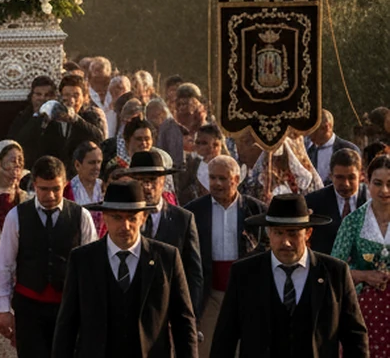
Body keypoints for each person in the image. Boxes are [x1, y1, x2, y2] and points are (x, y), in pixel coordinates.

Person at [50, 179, 198, 358]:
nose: (125, 226)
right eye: (117, 217)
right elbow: (67, 323)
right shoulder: (82, 260)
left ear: (143, 217)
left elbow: (183, 322)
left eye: (132, 218)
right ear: (105, 216)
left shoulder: (166, 258)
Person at [211, 192, 368, 358]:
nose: (285, 242)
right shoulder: (244, 274)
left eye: (293, 233)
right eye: (278, 233)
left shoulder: (335, 272)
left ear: (308, 233)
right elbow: (225, 338)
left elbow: (354, 337)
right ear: (269, 233)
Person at [0, 155, 96, 358]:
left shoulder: (81, 216)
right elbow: (5, 264)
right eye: (44, 189)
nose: (50, 195)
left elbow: (91, 267)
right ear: (35, 185)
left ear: (64, 185)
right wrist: (3, 309)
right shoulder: (17, 216)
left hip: (69, 308)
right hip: (29, 309)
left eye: (55, 189)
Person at [183, 155, 262, 345]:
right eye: (212, 178)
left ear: (236, 179)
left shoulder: (255, 210)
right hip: (209, 293)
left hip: (244, 291)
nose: (216, 183)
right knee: (207, 345)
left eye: (223, 178)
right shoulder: (193, 212)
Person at [124, 148, 205, 318]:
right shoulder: (122, 219)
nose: (147, 187)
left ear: (163, 181)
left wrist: (191, 317)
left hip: (169, 313)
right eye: (140, 180)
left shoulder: (183, 219)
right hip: (129, 312)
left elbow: (193, 274)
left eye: (152, 180)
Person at [330, 152, 390, 352]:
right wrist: (365, 275)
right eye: (378, 183)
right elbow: (333, 270)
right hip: (363, 313)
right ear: (367, 181)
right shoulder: (353, 222)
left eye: (389, 183)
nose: (385, 190)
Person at [13, 75, 105, 169]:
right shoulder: (52, 119)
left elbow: (98, 137)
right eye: (67, 95)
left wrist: (75, 120)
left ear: (84, 97)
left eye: (76, 95)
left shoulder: (91, 116)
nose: (71, 100)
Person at [307, 147, 366, 255]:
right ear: (331, 176)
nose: (346, 184)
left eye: (351, 177)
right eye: (340, 177)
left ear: (361, 175)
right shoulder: (314, 202)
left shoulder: (373, 200)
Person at [305, 110, 359, 185]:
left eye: (313, 131)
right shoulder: (309, 151)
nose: (310, 135)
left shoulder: (348, 149)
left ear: (326, 127)